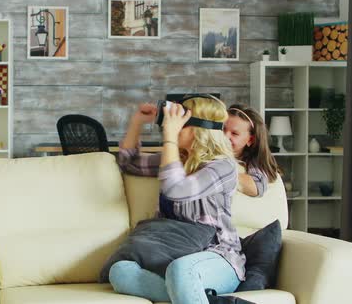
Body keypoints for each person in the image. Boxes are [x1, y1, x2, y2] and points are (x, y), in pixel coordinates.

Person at [109, 95, 245, 304]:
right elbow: (130, 164)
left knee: (181, 269)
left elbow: (176, 189)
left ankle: (189, 291)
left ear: (197, 129)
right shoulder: (177, 159)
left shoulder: (222, 167)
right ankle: (200, 297)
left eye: (180, 122)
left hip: (217, 257)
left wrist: (169, 138)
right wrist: (137, 122)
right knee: (120, 271)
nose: (172, 125)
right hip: (168, 255)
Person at [223, 104, 281, 197]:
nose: (225, 136)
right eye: (222, 129)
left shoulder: (253, 162)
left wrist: (219, 173)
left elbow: (257, 187)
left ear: (250, 140)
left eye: (234, 133)